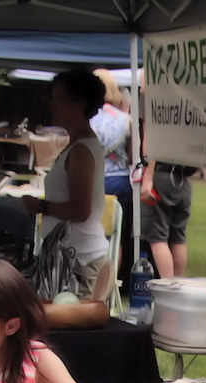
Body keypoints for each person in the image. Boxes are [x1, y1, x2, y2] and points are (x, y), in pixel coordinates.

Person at [24, 69, 110, 298]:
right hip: (76, 258)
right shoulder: (79, 145)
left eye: (59, 100)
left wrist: (41, 206)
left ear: (80, 104)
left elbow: (80, 210)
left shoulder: (81, 150)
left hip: (81, 263)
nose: (51, 106)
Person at [90, 68, 133, 286]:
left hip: (95, 180)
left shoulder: (88, 119)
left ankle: (94, 281)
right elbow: (134, 153)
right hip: (121, 180)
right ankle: (112, 281)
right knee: (117, 237)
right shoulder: (126, 119)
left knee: (94, 234)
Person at [141, 157, 195, 279]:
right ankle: (178, 286)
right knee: (178, 238)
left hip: (162, 177)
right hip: (183, 179)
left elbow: (152, 149)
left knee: (157, 237)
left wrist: (147, 178)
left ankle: (168, 286)